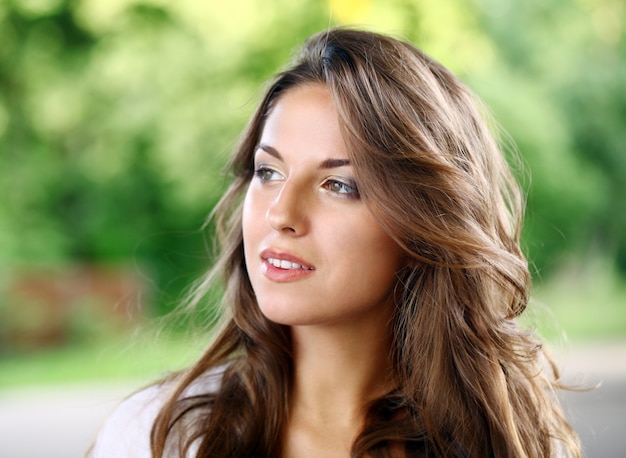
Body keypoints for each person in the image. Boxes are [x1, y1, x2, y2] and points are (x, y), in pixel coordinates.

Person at [91, 27, 581, 457]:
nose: (281, 213)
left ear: (424, 224)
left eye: (340, 185)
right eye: (268, 172)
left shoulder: (510, 442)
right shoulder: (160, 438)